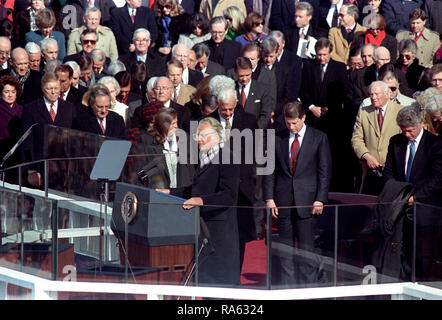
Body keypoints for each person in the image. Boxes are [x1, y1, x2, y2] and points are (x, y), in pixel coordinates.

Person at [162, 116, 242, 287]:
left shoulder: (228, 157)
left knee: (220, 288)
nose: (198, 139)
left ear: (217, 136)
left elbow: (228, 195)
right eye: (198, 135)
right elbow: (196, 190)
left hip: (220, 234)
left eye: (203, 135)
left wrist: (201, 201)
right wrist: (169, 192)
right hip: (204, 230)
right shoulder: (206, 157)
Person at [263, 101, 332, 287]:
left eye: (295, 123)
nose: (291, 127)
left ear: (303, 118)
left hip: (308, 204)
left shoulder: (319, 138)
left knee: (307, 254)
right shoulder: (277, 138)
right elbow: (269, 170)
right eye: (288, 123)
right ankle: (287, 292)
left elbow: (324, 171)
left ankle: (307, 292)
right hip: (283, 202)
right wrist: (269, 199)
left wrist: (320, 199)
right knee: (285, 255)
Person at [383, 105, 442, 281]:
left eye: (410, 131)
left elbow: (438, 177)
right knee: (403, 252)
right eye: (403, 131)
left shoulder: (435, 143)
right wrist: (397, 193)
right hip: (400, 207)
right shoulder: (396, 142)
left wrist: (416, 197)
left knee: (424, 255)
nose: (406, 135)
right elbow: (389, 172)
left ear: (420, 124)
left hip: (425, 209)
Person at [206, 86, 258, 272]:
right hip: (216, 188)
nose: (227, 113)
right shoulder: (208, 123)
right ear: (217, 106)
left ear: (236, 104)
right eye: (223, 109)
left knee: (241, 234)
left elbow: (256, 154)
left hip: (242, 188)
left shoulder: (249, 121)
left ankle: (236, 273)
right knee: (219, 233)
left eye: (231, 109)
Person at [20, 72, 77, 187]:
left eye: (56, 88)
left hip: (63, 168)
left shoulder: (69, 108)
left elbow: (74, 139)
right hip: (39, 167)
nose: (53, 92)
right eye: (49, 88)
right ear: (42, 88)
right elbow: (27, 143)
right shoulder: (31, 109)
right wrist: (31, 170)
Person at [351, 81, 403, 194]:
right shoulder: (364, 112)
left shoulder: (400, 111)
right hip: (370, 170)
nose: (373, 97)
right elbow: (356, 138)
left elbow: (403, 139)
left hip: (392, 170)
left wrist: (390, 161)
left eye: (376, 94)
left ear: (386, 94)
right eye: (371, 94)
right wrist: (366, 156)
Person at [134, 107, 194, 189]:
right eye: (173, 124)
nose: (176, 126)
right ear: (163, 124)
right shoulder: (146, 140)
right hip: (158, 187)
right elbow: (141, 168)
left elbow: (190, 167)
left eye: (176, 122)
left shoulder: (183, 137)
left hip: (181, 187)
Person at [233, 57, 273, 129]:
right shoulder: (231, 89)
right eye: (241, 76)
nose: (244, 79)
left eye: (247, 75)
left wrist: (254, 130)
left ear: (251, 71)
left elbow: (265, 115)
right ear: (235, 72)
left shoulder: (263, 89)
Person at [0, 75, 23, 183]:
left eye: (13, 92)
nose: (10, 95)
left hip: (18, 155)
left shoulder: (22, 109)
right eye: (6, 92)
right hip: (2, 153)